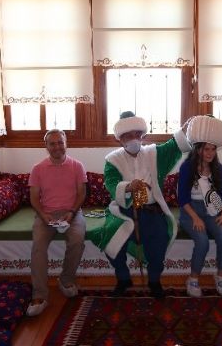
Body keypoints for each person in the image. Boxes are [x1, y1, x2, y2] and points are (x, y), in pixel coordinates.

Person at [86, 111, 193, 299]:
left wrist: (186, 129)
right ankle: (123, 278)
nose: (134, 139)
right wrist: (128, 187)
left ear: (142, 135)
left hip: (152, 211)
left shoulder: (154, 153)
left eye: (137, 134)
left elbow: (175, 145)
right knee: (111, 240)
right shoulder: (112, 159)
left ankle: (154, 281)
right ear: (120, 139)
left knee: (158, 243)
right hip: (124, 212)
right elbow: (111, 183)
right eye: (128, 135)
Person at [26, 129, 87, 317]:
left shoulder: (77, 166)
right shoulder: (38, 168)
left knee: (77, 240)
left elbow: (81, 194)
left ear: (66, 143)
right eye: (52, 143)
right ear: (46, 146)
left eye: (60, 142)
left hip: (72, 213)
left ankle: (66, 280)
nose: (57, 147)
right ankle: (40, 295)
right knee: (38, 246)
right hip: (46, 215)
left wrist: (72, 212)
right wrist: (44, 215)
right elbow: (34, 198)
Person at [177, 118, 222, 297]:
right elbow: (182, 199)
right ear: (198, 149)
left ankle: (220, 277)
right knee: (203, 241)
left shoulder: (218, 168)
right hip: (190, 211)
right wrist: (195, 218)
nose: (210, 153)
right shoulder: (187, 167)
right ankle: (193, 279)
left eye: (213, 149)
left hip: (212, 209)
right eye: (206, 149)